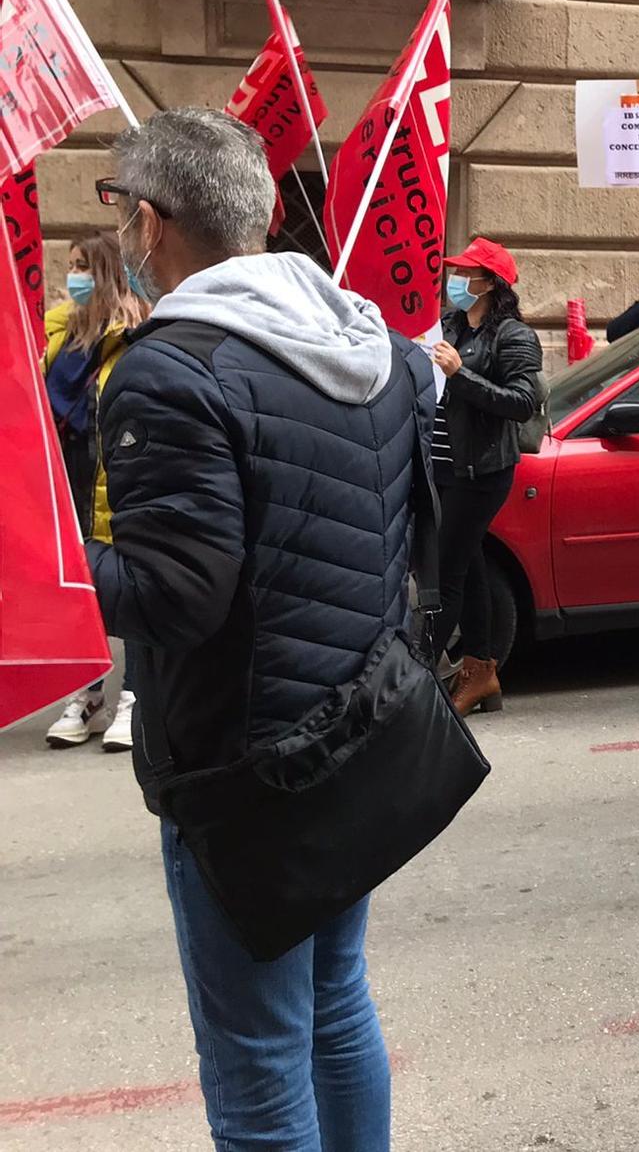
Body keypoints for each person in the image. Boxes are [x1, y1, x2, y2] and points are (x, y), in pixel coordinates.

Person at [85, 107, 430, 1151]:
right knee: (334, 1014)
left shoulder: (171, 371)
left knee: (258, 1073)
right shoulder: (373, 342)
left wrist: (58, 568)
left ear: (148, 227)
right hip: (357, 736)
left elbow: (176, 595)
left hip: (246, 777)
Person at [42, 233, 147, 750]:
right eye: (70, 266)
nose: (74, 277)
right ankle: (86, 695)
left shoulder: (132, 334)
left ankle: (133, 694)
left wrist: (138, 330)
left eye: (84, 266)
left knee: (122, 586)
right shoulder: (59, 335)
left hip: (114, 481)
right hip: (68, 483)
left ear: (106, 272)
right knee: (81, 595)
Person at [432, 237, 544, 717]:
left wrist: (461, 375)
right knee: (471, 564)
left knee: (448, 571)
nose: (455, 281)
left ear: (490, 283)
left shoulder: (513, 336)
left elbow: (522, 402)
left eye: (465, 273)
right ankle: (482, 674)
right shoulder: (451, 324)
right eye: (454, 271)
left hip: (480, 472)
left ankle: (416, 675)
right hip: (443, 466)